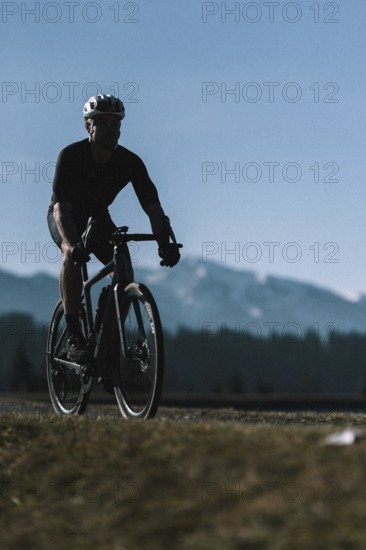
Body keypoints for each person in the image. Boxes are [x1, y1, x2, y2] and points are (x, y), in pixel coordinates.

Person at [47, 93, 181, 363]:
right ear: (89, 126)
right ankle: (74, 335)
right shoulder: (71, 155)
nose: (112, 129)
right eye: (104, 123)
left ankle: (106, 344)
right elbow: (61, 209)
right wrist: (72, 245)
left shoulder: (130, 162)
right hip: (67, 217)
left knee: (124, 271)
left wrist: (164, 243)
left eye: (116, 124)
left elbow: (153, 208)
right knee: (69, 257)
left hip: (97, 218)